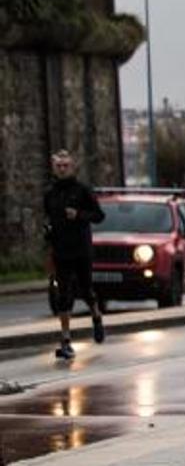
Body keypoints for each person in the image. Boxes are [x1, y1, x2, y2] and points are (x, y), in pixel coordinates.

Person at [43, 150, 105, 359]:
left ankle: (96, 316)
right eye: (59, 166)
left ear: (72, 167)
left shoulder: (82, 190)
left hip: (81, 249)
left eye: (65, 165)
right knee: (63, 295)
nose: (62, 169)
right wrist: (49, 241)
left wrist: (78, 215)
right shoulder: (50, 193)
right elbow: (49, 219)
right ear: (54, 168)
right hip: (61, 251)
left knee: (86, 290)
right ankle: (66, 340)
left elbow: (99, 216)